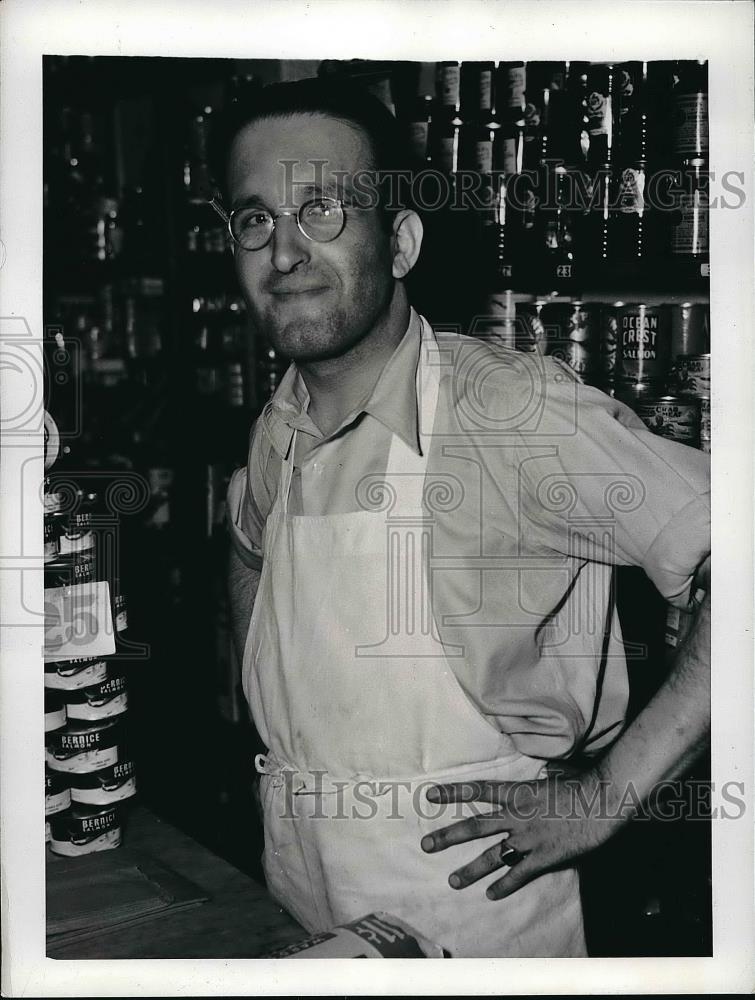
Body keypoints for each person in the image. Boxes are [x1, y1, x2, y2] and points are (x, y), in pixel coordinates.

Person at [220, 78, 711, 957]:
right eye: (255, 220)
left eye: (322, 209)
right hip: (300, 881)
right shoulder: (280, 418)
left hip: (472, 903)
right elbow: (249, 543)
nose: (283, 252)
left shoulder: (510, 413)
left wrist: (605, 799)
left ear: (400, 240)